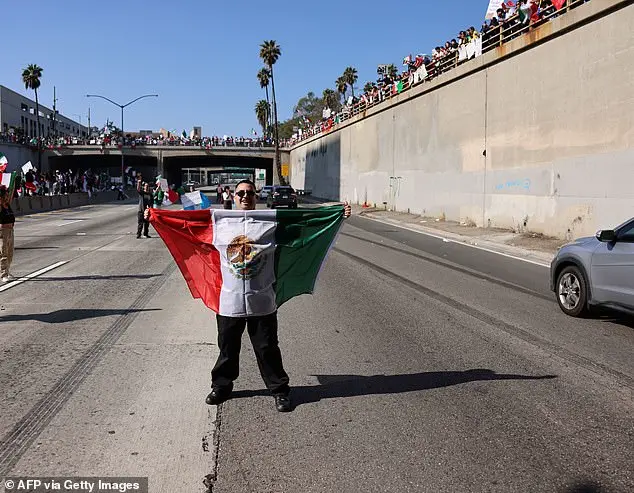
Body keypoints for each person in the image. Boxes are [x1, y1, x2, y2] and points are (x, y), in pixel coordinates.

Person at [204, 179, 351, 412]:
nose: (245, 196)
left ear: (256, 196)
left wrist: (337, 214)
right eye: (240, 193)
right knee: (227, 348)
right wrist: (155, 216)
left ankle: (280, 390)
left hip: (262, 300)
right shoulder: (221, 222)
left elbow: (305, 224)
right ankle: (222, 386)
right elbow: (186, 226)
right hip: (229, 301)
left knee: (267, 348)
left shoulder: (270, 221)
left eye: (250, 193)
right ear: (233, 196)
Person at [0, 185, 16, 283]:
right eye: (5, 194)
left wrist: (13, 182)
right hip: (3, 232)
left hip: (11, 231)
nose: (7, 196)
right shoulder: (0, 206)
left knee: (10, 253)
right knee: (4, 254)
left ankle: (7, 270)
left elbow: (11, 194)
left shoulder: (7, 205)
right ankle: (3, 274)